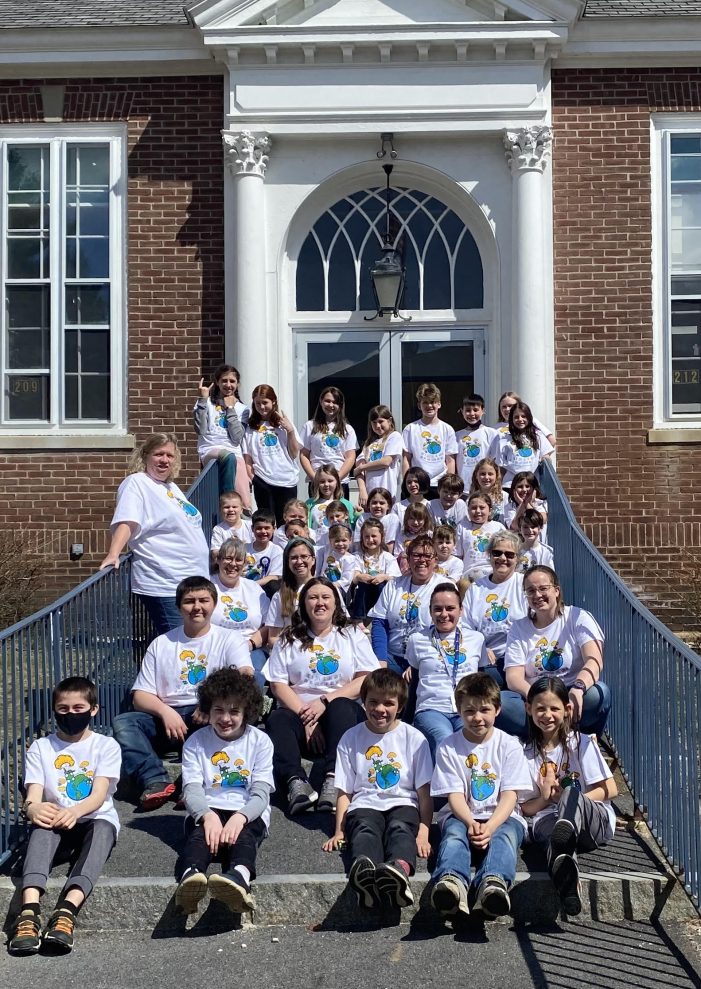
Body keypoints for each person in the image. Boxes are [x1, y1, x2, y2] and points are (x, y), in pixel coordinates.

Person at [112, 576, 253, 810]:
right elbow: (140, 695)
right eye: (189, 601)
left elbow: (245, 675)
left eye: (203, 600)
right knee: (124, 723)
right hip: (169, 719)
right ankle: (156, 780)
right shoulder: (162, 643)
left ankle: (191, 783)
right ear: (179, 607)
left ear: (214, 604)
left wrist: (211, 705)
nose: (197, 607)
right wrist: (165, 712)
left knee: (231, 720)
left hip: (208, 716)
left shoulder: (229, 638)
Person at [8, 677, 121, 956]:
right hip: (58, 817)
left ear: (93, 709)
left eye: (78, 707)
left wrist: (75, 811)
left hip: (93, 816)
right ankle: (29, 912)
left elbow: (98, 795)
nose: (71, 714)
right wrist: (32, 808)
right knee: (41, 827)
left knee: (103, 831)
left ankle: (67, 911)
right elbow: (33, 793)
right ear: (55, 710)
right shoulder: (41, 747)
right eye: (63, 709)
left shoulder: (106, 745)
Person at [263, 577, 380, 816]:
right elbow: (278, 685)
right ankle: (296, 782)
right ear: (303, 604)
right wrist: (307, 717)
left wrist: (324, 702)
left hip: (339, 717)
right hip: (299, 713)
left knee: (341, 707)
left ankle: (333, 779)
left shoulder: (351, 635)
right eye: (313, 597)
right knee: (277, 719)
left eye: (326, 597)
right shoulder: (288, 638)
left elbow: (365, 677)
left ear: (336, 603)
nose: (320, 603)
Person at [322, 669, 433, 910]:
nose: (380, 709)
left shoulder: (414, 738)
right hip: (365, 803)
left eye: (388, 703)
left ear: (400, 706)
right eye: (373, 702)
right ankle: (365, 873)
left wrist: (423, 832)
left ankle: (398, 870)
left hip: (403, 802)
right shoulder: (351, 738)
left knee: (400, 829)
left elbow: (424, 792)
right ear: (363, 702)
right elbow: (345, 792)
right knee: (364, 829)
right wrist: (340, 831)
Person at [430, 672, 531, 921]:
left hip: (502, 815)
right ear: (459, 711)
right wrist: (471, 823)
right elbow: (454, 795)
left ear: (497, 709)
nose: (477, 718)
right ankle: (452, 881)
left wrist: (491, 826)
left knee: (505, 836)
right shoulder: (449, 746)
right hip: (462, 813)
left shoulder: (510, 745)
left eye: (484, 710)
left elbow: (510, 795)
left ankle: (493, 884)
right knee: (454, 835)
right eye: (469, 711)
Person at [175, 668, 274, 916]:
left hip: (246, 810)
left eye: (234, 711)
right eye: (218, 710)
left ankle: (239, 877)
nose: (225, 718)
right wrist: (207, 816)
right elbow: (192, 788)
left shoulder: (260, 741)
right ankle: (191, 878)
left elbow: (261, 793)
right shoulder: (195, 742)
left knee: (245, 838)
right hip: (208, 807)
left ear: (246, 712)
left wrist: (240, 818)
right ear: (208, 710)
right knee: (199, 838)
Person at [521, 676, 618, 915]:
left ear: (567, 710)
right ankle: (569, 890)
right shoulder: (524, 752)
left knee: (569, 796)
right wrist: (546, 798)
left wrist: (565, 800)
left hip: (593, 821)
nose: (547, 715)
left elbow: (610, 789)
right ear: (528, 709)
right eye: (540, 708)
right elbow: (525, 809)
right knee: (558, 841)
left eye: (554, 708)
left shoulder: (582, 743)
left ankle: (566, 823)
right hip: (548, 819)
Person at [99, 433, 209, 636]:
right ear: (145, 456)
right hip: (166, 584)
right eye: (159, 454)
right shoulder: (137, 483)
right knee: (180, 645)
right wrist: (114, 553)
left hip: (192, 580)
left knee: (194, 645)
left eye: (170, 455)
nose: (165, 460)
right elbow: (128, 520)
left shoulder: (171, 487)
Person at [501, 566, 611, 739]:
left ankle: (569, 739)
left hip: (570, 693)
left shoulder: (578, 617)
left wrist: (579, 688)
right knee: (501, 702)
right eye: (531, 591)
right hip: (535, 695)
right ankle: (558, 736)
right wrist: (539, 699)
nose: (537, 595)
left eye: (543, 589)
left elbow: (594, 661)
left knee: (599, 693)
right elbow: (513, 677)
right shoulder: (519, 627)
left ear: (557, 590)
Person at [405, 584, 488, 761]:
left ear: (461, 610)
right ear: (430, 611)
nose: (444, 614)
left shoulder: (476, 639)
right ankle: (444, 788)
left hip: (468, 708)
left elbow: (481, 680)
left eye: (450, 608)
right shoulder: (417, 640)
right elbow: (414, 683)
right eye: (438, 609)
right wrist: (407, 720)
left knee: (471, 742)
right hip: (431, 708)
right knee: (444, 739)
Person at [369, 535, 447, 680]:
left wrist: (419, 661)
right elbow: (380, 623)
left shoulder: (444, 587)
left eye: (427, 556)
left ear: (435, 560)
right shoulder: (393, 585)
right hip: (393, 656)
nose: (422, 560)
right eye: (416, 555)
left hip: (428, 656)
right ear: (409, 559)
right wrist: (381, 661)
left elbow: (445, 631)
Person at [461, 532, 527, 687]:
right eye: (497, 553)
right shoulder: (476, 588)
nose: (503, 558)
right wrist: (482, 647)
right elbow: (465, 626)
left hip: (519, 659)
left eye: (509, 555)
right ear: (489, 555)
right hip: (487, 660)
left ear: (517, 558)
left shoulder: (524, 585)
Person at [211, 538, 269, 686]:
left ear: (244, 564)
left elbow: (268, 625)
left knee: (252, 679)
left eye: (238, 560)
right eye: (228, 558)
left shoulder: (254, 589)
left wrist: (249, 645)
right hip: (216, 648)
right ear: (218, 560)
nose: (233, 564)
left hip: (251, 647)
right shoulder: (208, 586)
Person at [243, 384, 301, 525]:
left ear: (273, 401)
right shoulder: (251, 428)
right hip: (263, 480)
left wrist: (291, 431)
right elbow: (248, 458)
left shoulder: (283, 424)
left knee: (287, 522)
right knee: (266, 522)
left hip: (287, 479)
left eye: (265, 403)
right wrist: (254, 478)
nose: (262, 407)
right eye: (258, 403)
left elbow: (294, 453)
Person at [193, 364, 248, 500]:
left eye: (232, 381)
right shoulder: (207, 403)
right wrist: (202, 400)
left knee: (245, 501)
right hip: (210, 450)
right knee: (228, 457)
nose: (228, 385)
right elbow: (201, 430)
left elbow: (236, 438)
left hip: (235, 454)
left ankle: (241, 512)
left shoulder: (243, 409)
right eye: (224, 381)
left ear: (238, 384)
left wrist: (230, 408)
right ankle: (227, 500)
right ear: (217, 382)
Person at [402, 383, 458, 498]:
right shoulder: (410, 429)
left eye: (432, 402)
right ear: (419, 405)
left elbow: (450, 460)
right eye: (425, 402)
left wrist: (448, 485)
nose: (429, 406)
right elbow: (406, 459)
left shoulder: (447, 429)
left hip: (439, 485)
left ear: (439, 404)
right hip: (417, 485)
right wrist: (406, 483)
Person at [299, 387, 357, 497]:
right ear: (321, 401)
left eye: (335, 402)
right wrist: (315, 478)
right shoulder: (309, 426)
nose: (331, 405)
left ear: (340, 405)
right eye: (327, 401)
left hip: (340, 483)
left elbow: (350, 457)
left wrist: (337, 479)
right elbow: (303, 455)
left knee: (339, 514)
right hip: (317, 483)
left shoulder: (347, 429)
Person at [265, 537, 317, 650]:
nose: (299, 562)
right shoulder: (280, 595)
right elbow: (273, 638)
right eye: (293, 558)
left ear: (313, 560)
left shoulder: (328, 589)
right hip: (291, 652)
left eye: (304, 556)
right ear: (287, 562)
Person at [489, 401, 554, 487]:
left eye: (523, 416)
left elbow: (546, 455)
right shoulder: (504, 439)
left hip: (531, 484)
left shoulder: (538, 436)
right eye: (516, 417)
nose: (520, 419)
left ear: (529, 418)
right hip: (510, 485)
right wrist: (497, 487)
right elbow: (501, 468)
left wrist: (544, 460)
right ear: (511, 419)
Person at [348, 517, 401, 619]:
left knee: (381, 584)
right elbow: (353, 578)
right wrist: (359, 577)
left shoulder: (387, 557)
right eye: (366, 537)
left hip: (380, 595)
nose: (370, 540)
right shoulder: (357, 557)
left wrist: (384, 577)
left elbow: (396, 578)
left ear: (382, 536)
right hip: (362, 598)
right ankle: (358, 619)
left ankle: (380, 615)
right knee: (362, 584)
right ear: (362, 538)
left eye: (374, 536)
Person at [354, 405, 403, 508]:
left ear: (389, 421)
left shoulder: (394, 437)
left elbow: (386, 462)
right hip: (369, 495)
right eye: (374, 422)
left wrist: (362, 467)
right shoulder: (368, 443)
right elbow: (359, 470)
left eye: (381, 421)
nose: (377, 425)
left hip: (386, 493)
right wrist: (362, 490)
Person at [456, 494, 506, 581]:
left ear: (490, 510)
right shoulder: (462, 527)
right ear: (468, 510)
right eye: (473, 508)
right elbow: (457, 556)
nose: (478, 511)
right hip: (469, 574)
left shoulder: (498, 527)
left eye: (482, 508)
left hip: (493, 571)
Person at [455, 393, 496, 490]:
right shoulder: (457, 436)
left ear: (483, 411)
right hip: (463, 488)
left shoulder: (491, 433)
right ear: (462, 412)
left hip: (485, 487)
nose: (472, 414)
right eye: (468, 410)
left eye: (476, 410)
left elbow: (495, 461)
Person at [305, 464, 356, 532]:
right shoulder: (310, 504)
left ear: (337, 482)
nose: (326, 484)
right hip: (317, 541)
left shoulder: (346, 504)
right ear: (317, 484)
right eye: (322, 482)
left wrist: (357, 515)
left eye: (330, 481)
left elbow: (352, 526)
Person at [243, 510, 283, 594]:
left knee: (274, 585)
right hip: (243, 587)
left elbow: (274, 576)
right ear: (252, 529)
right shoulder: (244, 548)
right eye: (259, 528)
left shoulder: (277, 551)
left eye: (267, 528)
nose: (263, 531)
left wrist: (253, 585)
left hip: (264, 590)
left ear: (274, 529)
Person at [352, 486, 400, 554]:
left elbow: (390, 544)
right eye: (374, 503)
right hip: (364, 555)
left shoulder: (392, 519)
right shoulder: (363, 517)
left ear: (388, 506)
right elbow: (357, 543)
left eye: (382, 503)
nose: (378, 506)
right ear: (369, 505)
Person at [210, 491, 252, 566]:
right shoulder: (218, 529)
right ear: (220, 510)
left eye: (234, 507)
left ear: (241, 509)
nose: (231, 510)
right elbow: (215, 553)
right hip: (228, 568)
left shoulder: (250, 526)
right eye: (226, 507)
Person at [503, 471, 548, 535]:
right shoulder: (510, 507)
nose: (524, 490)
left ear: (534, 489)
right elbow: (515, 526)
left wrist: (527, 504)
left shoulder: (541, 503)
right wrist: (522, 505)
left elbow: (540, 520)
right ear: (514, 490)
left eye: (527, 486)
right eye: (520, 487)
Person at [316, 522, 356, 594]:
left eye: (344, 540)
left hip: (339, 589)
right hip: (322, 584)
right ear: (330, 541)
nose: (340, 544)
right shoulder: (328, 551)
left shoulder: (350, 559)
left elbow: (346, 579)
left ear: (350, 540)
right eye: (336, 541)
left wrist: (331, 586)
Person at [394, 502, 433, 574]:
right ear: (406, 519)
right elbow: (397, 553)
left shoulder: (429, 534)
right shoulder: (402, 535)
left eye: (419, 519)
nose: (415, 522)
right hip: (407, 564)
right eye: (412, 518)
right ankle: (406, 576)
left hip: (423, 561)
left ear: (425, 520)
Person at [468, 457, 505, 525]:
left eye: (490, 474)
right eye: (482, 474)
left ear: (496, 476)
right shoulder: (471, 499)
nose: (486, 477)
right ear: (476, 475)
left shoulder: (504, 496)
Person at [517, 509, 554, 574]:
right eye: (525, 527)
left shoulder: (547, 552)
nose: (530, 530)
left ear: (540, 528)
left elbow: (550, 576)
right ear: (520, 529)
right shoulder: (515, 551)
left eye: (533, 526)